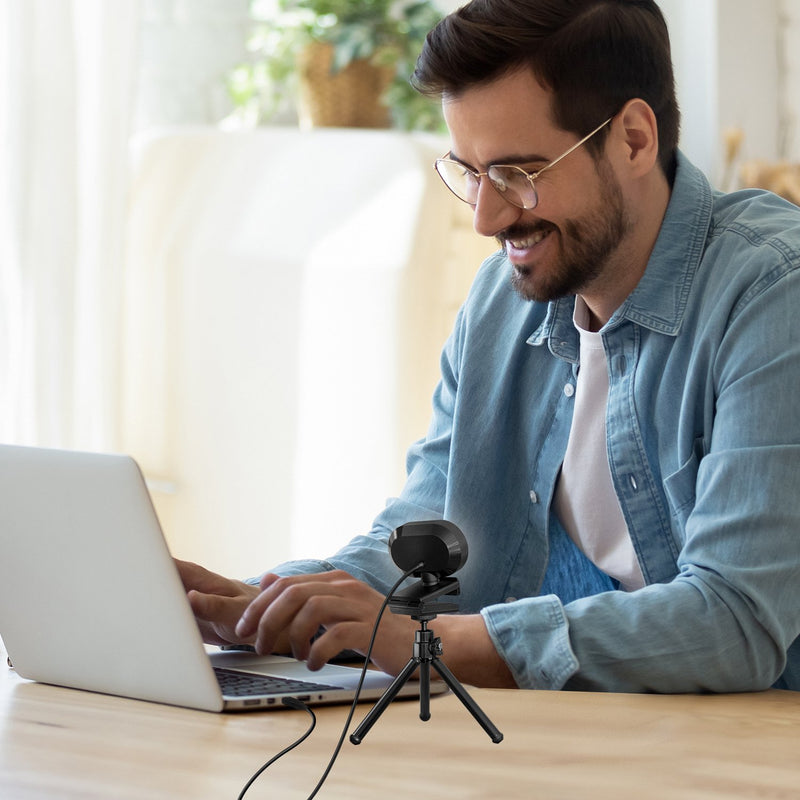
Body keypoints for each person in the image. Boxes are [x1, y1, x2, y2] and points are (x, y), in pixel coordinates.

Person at [178, 0, 800, 693]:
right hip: (591, 745)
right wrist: (260, 603)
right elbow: (433, 543)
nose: (485, 217)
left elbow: (735, 622)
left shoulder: (775, 295)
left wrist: (428, 641)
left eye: (516, 175)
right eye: (470, 172)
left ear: (631, 139)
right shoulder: (501, 302)